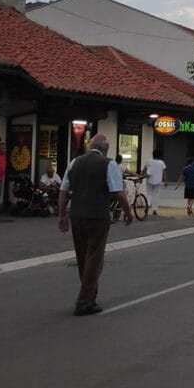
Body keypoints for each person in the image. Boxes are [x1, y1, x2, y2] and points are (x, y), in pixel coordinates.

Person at [57, 134, 132, 315]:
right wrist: (128, 212)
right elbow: (118, 192)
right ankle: (83, 302)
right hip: (98, 216)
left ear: (90, 147)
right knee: (94, 260)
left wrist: (62, 215)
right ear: (106, 149)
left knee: (83, 258)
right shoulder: (109, 164)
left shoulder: (74, 163)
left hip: (77, 216)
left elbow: (63, 191)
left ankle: (91, 298)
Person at [141, 149, 167, 216]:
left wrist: (141, 176)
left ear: (153, 154)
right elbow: (164, 173)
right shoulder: (162, 163)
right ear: (160, 155)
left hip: (149, 180)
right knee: (156, 195)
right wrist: (165, 181)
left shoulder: (149, 161)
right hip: (158, 182)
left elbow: (144, 170)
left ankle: (147, 206)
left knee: (149, 194)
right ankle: (155, 210)